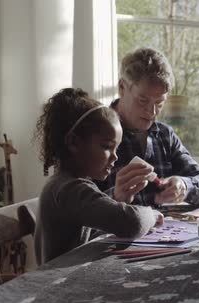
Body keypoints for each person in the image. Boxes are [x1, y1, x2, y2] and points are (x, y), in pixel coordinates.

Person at [34, 88, 164, 265]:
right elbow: (132, 222)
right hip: (59, 284)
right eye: (106, 146)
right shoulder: (69, 189)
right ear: (74, 143)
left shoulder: (67, 183)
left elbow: (93, 213)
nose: (115, 156)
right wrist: (153, 214)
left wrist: (117, 198)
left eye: (116, 148)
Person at [94, 47, 199, 207]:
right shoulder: (95, 134)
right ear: (122, 88)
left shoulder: (165, 135)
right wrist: (116, 197)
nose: (152, 112)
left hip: (167, 231)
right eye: (143, 100)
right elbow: (77, 208)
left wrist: (184, 186)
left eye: (159, 103)